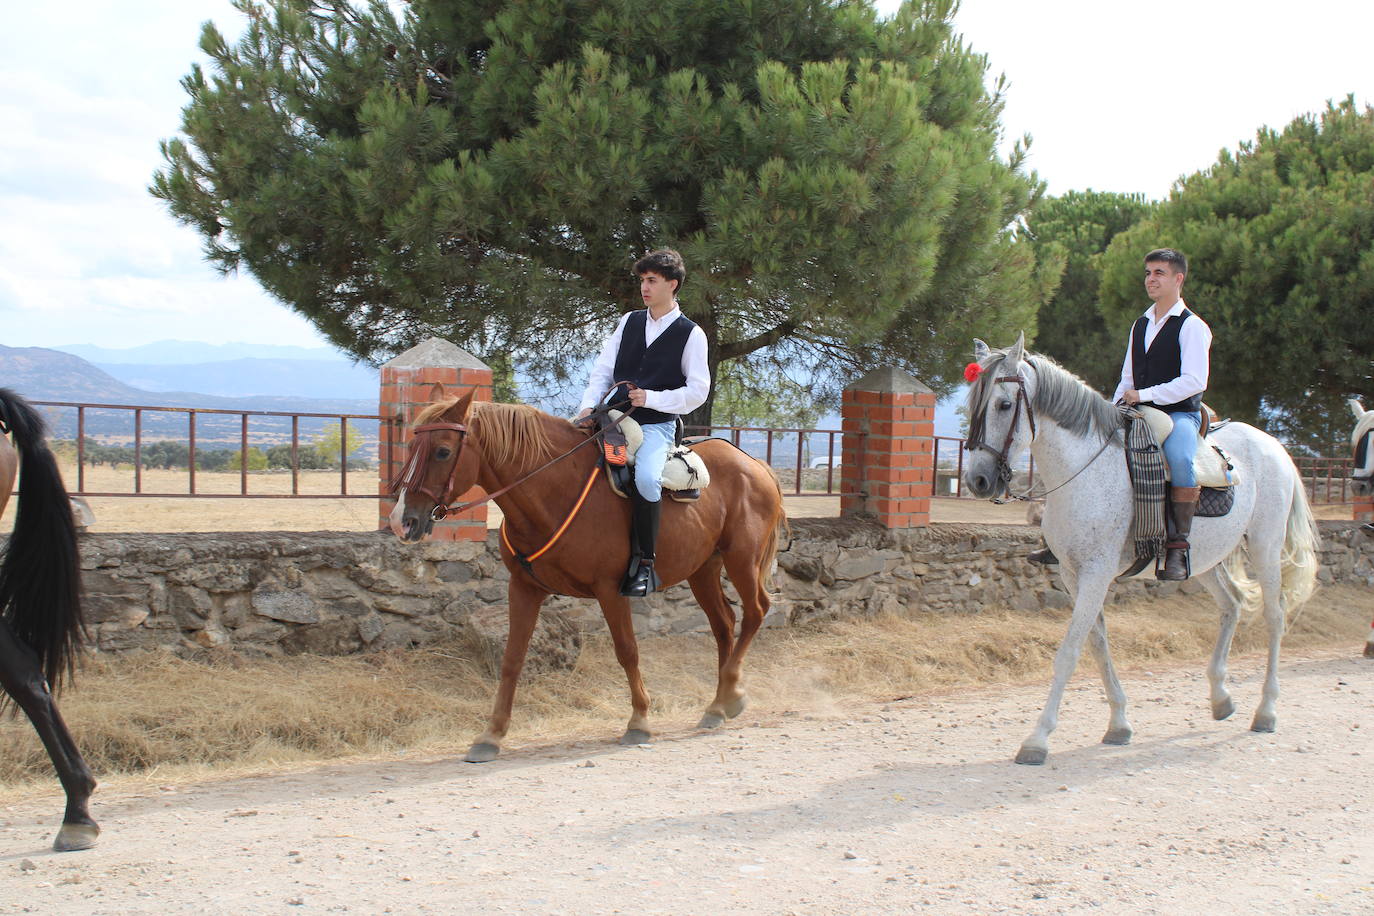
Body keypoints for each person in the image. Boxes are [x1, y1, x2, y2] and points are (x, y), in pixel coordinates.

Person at [576, 249, 710, 596]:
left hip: (656, 425)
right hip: (613, 416)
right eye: (642, 281)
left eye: (652, 281)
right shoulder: (629, 321)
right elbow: (604, 370)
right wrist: (587, 406)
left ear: (672, 284)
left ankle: (645, 564)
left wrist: (652, 398)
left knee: (648, 479)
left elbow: (698, 392)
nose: (644, 288)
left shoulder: (691, 334)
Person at [1111, 247, 1213, 580]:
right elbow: (1127, 377)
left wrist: (1145, 394)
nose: (1151, 279)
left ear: (1178, 279)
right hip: (1137, 411)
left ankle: (1177, 549)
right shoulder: (1139, 324)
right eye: (1148, 273)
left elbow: (1194, 381)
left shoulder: (1192, 326)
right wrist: (1114, 407)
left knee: (1181, 459)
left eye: (1159, 273)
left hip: (1180, 415)